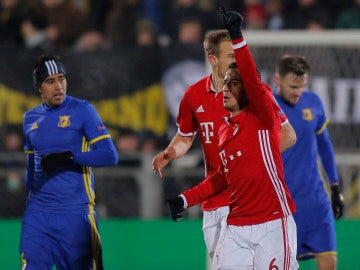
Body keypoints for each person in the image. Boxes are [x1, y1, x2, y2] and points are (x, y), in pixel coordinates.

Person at [152, 18, 296, 265]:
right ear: (213, 60)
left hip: (264, 210)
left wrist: (256, 162)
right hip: (223, 208)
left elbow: (287, 134)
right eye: (231, 55)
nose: (236, 60)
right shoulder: (217, 121)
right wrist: (182, 190)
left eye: (237, 55)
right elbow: (196, 147)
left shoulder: (259, 107)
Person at [20, 54, 118, 269]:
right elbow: (31, 167)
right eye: (50, 81)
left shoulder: (82, 110)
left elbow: (110, 155)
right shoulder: (30, 119)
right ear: (39, 87)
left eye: (61, 79)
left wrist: (70, 157)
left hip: (75, 214)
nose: (58, 86)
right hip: (38, 215)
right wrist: (29, 207)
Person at [273, 54, 344, 270]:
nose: (298, 92)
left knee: (329, 262)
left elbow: (325, 144)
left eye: (302, 86)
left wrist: (334, 186)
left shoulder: (313, 102)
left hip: (315, 200)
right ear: (278, 80)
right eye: (293, 86)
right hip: (282, 203)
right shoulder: (267, 107)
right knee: (285, 264)